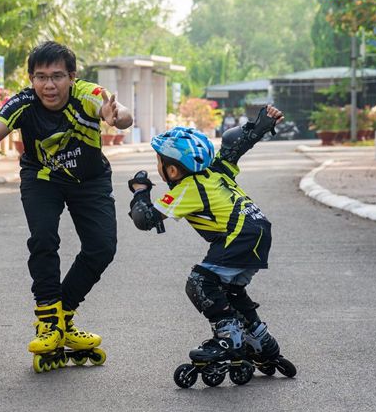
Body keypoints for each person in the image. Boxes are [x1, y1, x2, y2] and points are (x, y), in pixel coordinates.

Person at [0, 41, 133, 372]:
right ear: (31, 79)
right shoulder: (25, 101)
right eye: (41, 77)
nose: (49, 85)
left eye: (58, 76)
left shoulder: (88, 94)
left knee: (102, 248)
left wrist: (115, 117)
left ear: (72, 77)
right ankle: (48, 318)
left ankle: (64, 315)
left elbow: (119, 114)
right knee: (43, 237)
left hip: (90, 179)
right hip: (42, 178)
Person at [127, 108, 296, 389]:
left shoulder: (187, 188)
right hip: (257, 231)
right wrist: (261, 125)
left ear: (171, 170)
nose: (158, 167)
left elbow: (144, 219)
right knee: (231, 291)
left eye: (160, 162)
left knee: (200, 283)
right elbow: (234, 145)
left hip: (239, 235)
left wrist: (139, 192)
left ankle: (228, 339)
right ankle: (262, 343)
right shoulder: (217, 169)